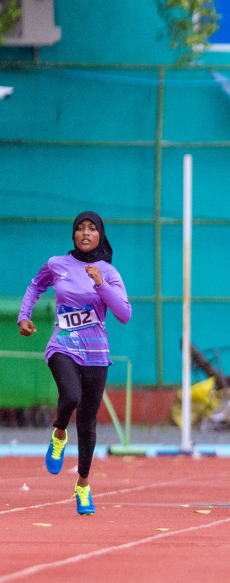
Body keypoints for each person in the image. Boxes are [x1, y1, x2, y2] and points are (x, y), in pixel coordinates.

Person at [17, 211, 132, 515]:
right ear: (73, 234)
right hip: (63, 345)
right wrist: (24, 316)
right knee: (71, 396)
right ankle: (58, 434)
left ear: (100, 236)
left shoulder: (108, 271)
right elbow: (34, 286)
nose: (84, 233)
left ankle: (82, 484)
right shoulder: (57, 264)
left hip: (96, 354)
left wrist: (100, 285)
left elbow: (124, 314)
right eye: (79, 228)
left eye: (91, 229)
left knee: (88, 422)